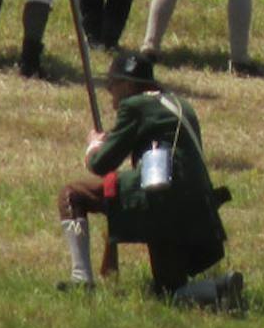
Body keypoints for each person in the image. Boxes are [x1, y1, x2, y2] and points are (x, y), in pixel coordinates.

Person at [56, 52, 242, 303]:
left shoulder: (135, 106)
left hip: (159, 194)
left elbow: (101, 163)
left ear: (130, 85)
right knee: (169, 290)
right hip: (196, 201)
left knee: (72, 194)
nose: (109, 88)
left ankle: (81, 279)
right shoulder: (180, 104)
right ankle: (218, 289)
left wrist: (93, 146)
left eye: (114, 82)